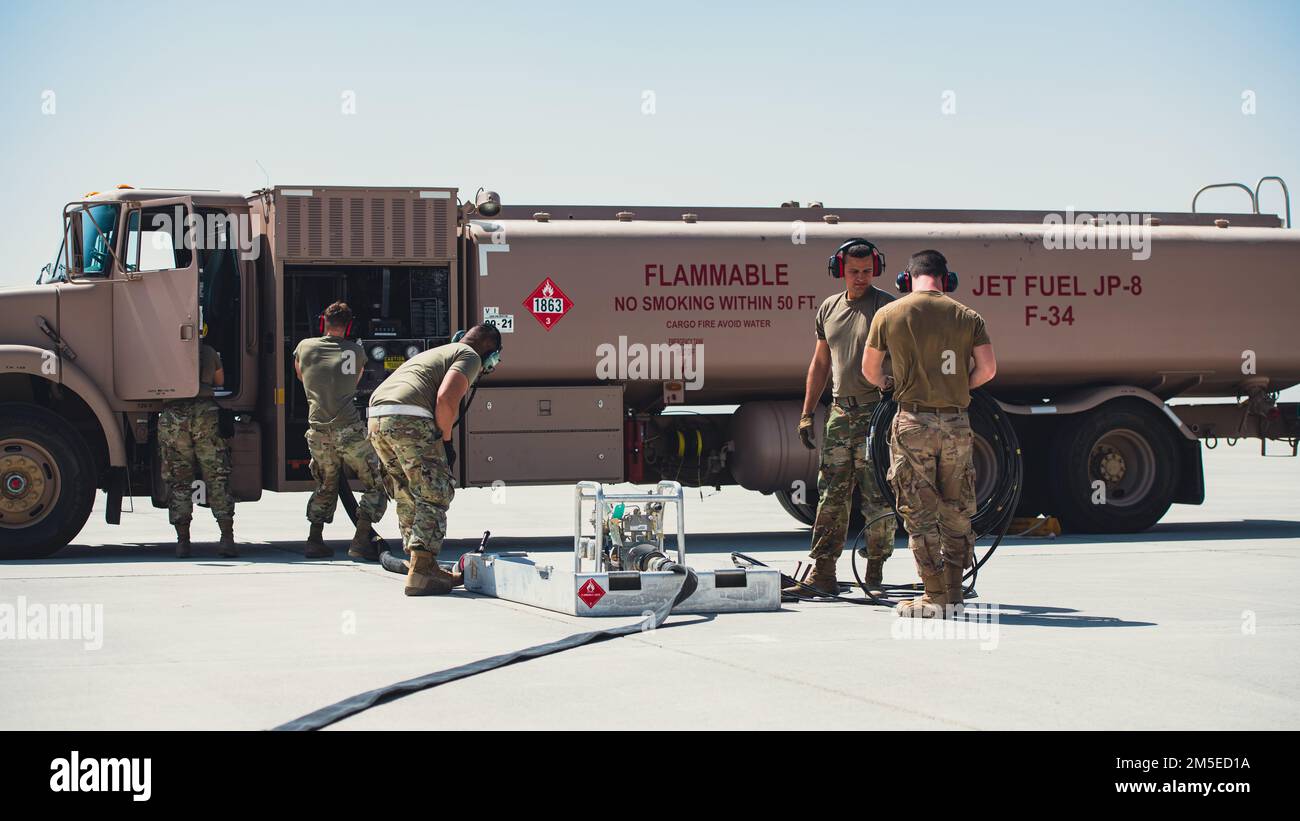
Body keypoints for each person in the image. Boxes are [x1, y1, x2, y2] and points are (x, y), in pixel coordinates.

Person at [863, 249, 997, 617]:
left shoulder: (888, 314)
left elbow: (869, 371)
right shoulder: (969, 316)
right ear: (945, 278)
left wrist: (891, 382)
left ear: (906, 279)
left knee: (918, 511)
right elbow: (988, 369)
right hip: (956, 424)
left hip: (913, 422)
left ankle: (934, 595)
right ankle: (953, 592)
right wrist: (960, 390)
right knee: (957, 509)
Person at [787, 238, 897, 596]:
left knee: (876, 494)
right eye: (853, 272)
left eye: (867, 271)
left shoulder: (887, 309)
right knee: (830, 496)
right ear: (840, 271)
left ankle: (875, 574)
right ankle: (823, 574)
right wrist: (807, 413)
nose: (861, 278)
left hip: (876, 413)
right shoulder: (829, 309)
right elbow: (820, 364)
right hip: (838, 413)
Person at [367, 324, 502, 595]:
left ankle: (418, 563)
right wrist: (446, 440)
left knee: (406, 489)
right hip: (409, 417)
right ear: (490, 352)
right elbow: (446, 399)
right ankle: (422, 569)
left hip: (377, 417)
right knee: (435, 490)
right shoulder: (470, 356)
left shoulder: (441, 351)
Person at [293, 301, 388, 560]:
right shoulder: (355, 351)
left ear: (323, 322)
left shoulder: (304, 347)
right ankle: (360, 539)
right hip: (348, 427)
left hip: (318, 430)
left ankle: (314, 538)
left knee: (326, 483)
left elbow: (300, 375)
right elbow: (356, 379)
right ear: (348, 327)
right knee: (375, 482)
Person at [159, 335, 236, 558]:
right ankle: (226, 539)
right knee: (216, 477)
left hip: (174, 416)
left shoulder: (165, 351)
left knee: (179, 481)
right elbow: (219, 381)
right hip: (205, 414)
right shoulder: (209, 351)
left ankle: (182, 542)